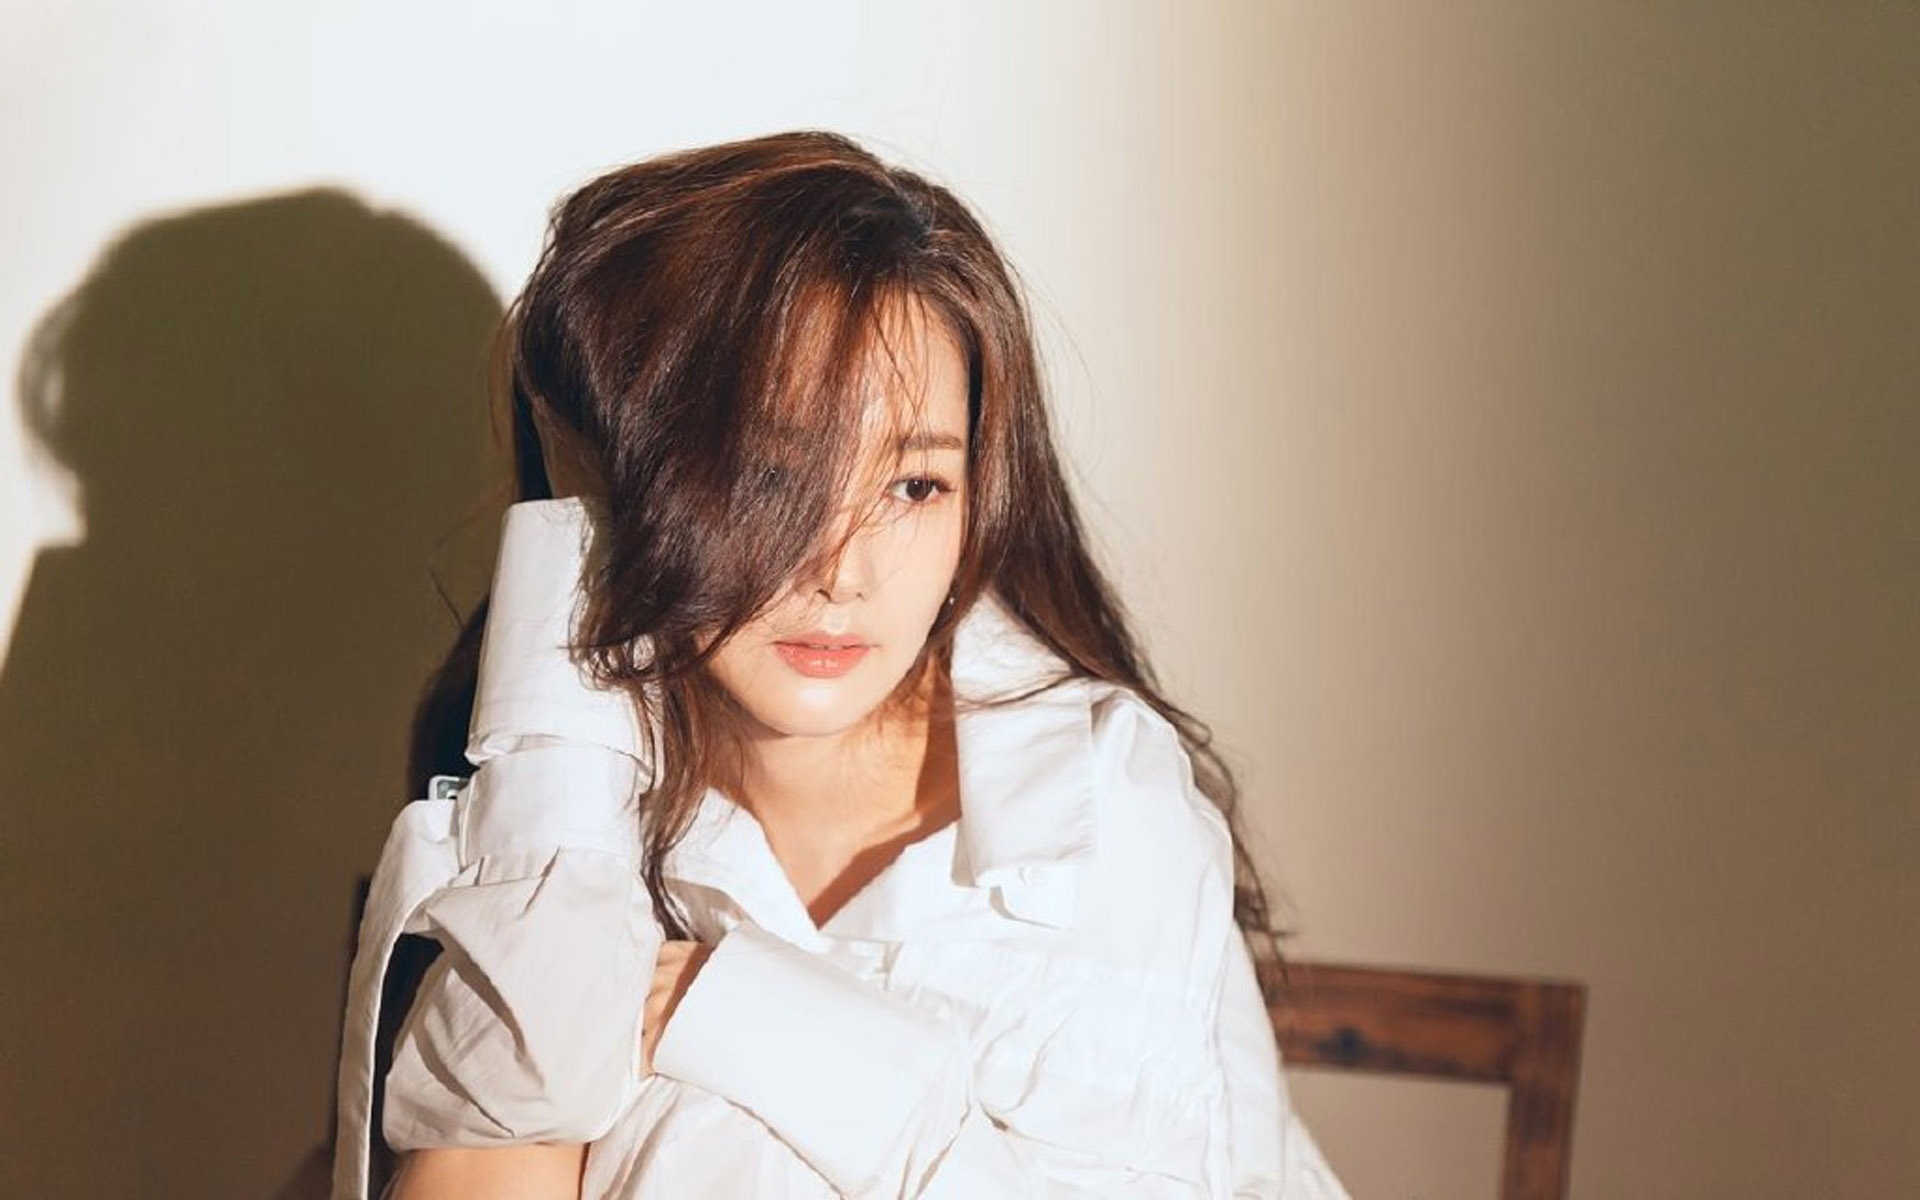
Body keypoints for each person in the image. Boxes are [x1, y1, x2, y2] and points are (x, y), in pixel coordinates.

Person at [331, 130, 1348, 1200]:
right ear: (623, 485)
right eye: (770, 478)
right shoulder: (570, 816)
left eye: (915, 487)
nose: (845, 573)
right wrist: (572, 611)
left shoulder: (1086, 810)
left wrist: (762, 1026)